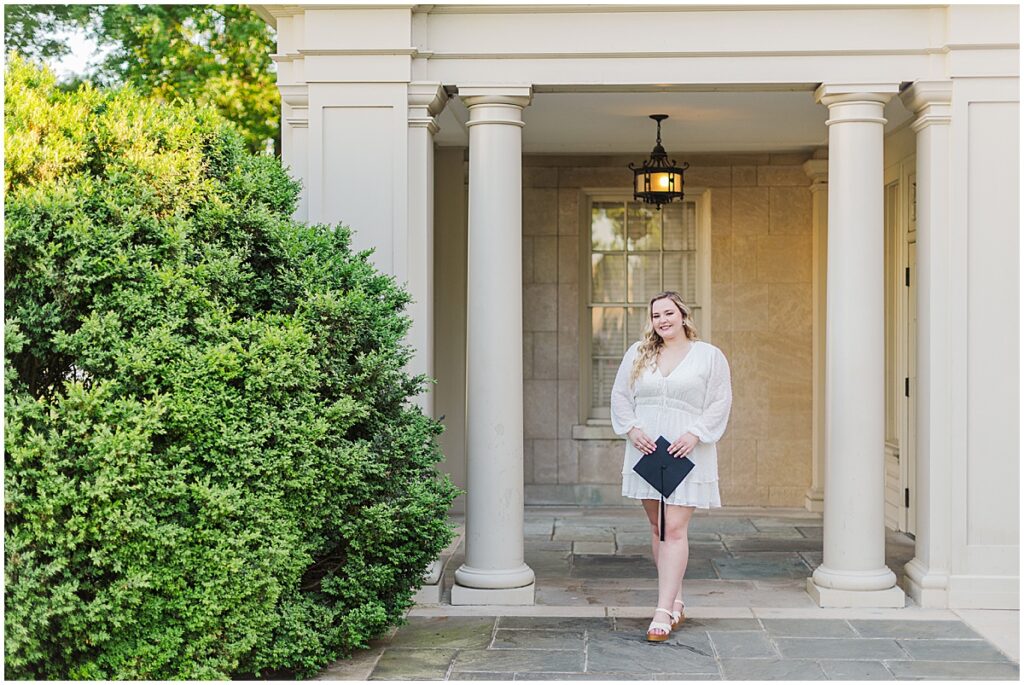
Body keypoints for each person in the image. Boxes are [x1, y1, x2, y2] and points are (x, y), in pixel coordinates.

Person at [610, 291, 733, 642]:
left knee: (674, 528)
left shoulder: (709, 356)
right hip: (646, 450)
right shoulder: (638, 353)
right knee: (657, 527)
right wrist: (632, 429)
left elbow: (719, 401)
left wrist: (695, 435)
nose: (662, 320)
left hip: (686, 452)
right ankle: (675, 600)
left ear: (683, 315)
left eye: (668, 313)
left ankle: (662, 611)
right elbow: (620, 395)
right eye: (656, 315)